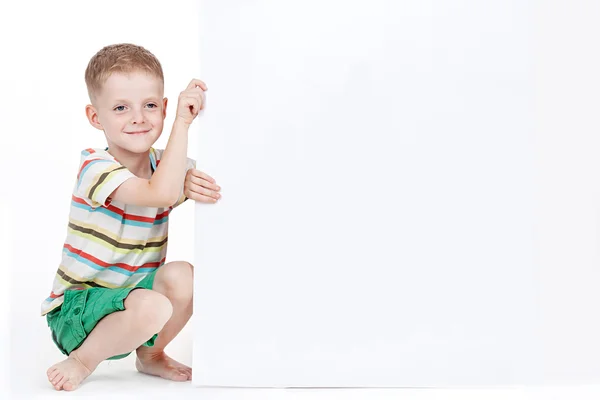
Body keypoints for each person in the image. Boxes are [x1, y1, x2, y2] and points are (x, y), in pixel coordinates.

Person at [41, 43, 219, 391]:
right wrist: (183, 123)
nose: (138, 117)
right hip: (77, 310)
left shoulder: (166, 167)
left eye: (150, 105)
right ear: (96, 117)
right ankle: (81, 360)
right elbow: (160, 193)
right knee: (154, 306)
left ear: (163, 108)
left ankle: (150, 355)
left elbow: (191, 179)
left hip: (135, 301)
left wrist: (200, 183)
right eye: (121, 108)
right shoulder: (95, 166)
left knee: (186, 278)